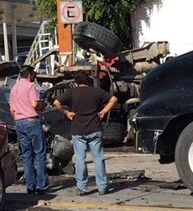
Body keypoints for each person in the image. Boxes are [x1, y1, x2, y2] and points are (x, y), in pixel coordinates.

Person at [53, 72, 117, 196]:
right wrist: (103, 112)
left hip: (78, 130)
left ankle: (82, 187)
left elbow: (56, 103)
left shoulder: (71, 93)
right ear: (88, 81)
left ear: (76, 82)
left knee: (80, 159)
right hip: (95, 128)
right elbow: (113, 99)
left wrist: (66, 113)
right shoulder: (96, 91)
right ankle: (102, 187)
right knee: (98, 158)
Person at [9, 66, 47, 194]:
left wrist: (17, 119)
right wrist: (42, 105)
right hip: (31, 121)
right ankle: (41, 186)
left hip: (19, 122)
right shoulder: (31, 86)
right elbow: (34, 104)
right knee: (40, 154)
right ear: (30, 75)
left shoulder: (14, 88)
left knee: (26, 156)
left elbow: (11, 109)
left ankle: (30, 186)